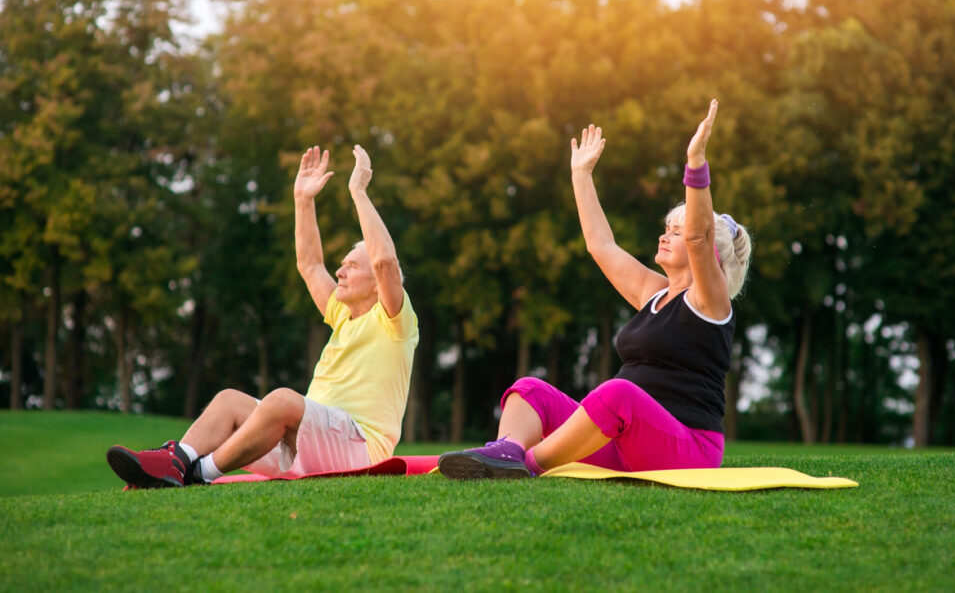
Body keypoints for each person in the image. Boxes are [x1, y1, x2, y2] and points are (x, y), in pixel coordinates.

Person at [439, 100, 751, 479]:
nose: (665, 236)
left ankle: (527, 464)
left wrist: (696, 164)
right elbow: (601, 246)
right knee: (529, 389)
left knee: (618, 393)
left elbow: (700, 236)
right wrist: (581, 175)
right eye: (668, 228)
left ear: (709, 255)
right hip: (626, 441)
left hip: (688, 447)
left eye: (676, 231)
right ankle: (506, 450)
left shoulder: (710, 303)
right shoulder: (653, 293)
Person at [107, 145, 418, 488]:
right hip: (310, 441)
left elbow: (385, 262)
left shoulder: (395, 320)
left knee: (283, 400)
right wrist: (303, 200)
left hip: (359, 449)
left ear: (376, 284)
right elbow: (310, 264)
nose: (340, 271)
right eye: (342, 263)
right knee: (228, 401)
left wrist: (358, 192)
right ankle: (175, 462)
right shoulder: (342, 314)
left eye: (351, 265)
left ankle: (200, 472)